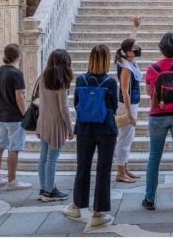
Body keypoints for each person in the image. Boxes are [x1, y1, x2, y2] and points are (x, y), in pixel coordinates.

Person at [63, 45, 118, 228]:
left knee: (83, 167)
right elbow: (115, 106)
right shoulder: (110, 82)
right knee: (103, 170)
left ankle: (77, 205)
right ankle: (97, 213)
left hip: (85, 129)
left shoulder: (80, 80)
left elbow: (77, 102)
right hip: (106, 129)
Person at [142, 32, 173, 211]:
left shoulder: (152, 68)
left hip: (158, 114)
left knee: (154, 156)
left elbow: (149, 93)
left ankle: (149, 198)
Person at [0, 43, 31, 191]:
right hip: (15, 117)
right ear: (17, 56)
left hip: (1, 115)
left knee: (0, 146)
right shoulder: (16, 73)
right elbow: (19, 97)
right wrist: (25, 114)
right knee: (14, 148)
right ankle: (12, 180)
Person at [35, 49, 74, 201]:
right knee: (52, 158)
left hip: (43, 120)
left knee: (44, 157)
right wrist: (70, 129)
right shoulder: (61, 81)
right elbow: (63, 108)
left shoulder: (43, 77)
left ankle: (44, 187)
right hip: (55, 122)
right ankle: (50, 192)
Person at [113, 17, 142, 183]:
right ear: (128, 52)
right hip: (126, 105)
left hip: (132, 103)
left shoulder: (129, 61)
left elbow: (131, 40)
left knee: (128, 138)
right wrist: (130, 114)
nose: (137, 49)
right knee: (124, 138)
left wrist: (135, 28)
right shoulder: (125, 67)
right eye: (135, 48)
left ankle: (125, 168)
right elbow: (124, 90)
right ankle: (120, 172)